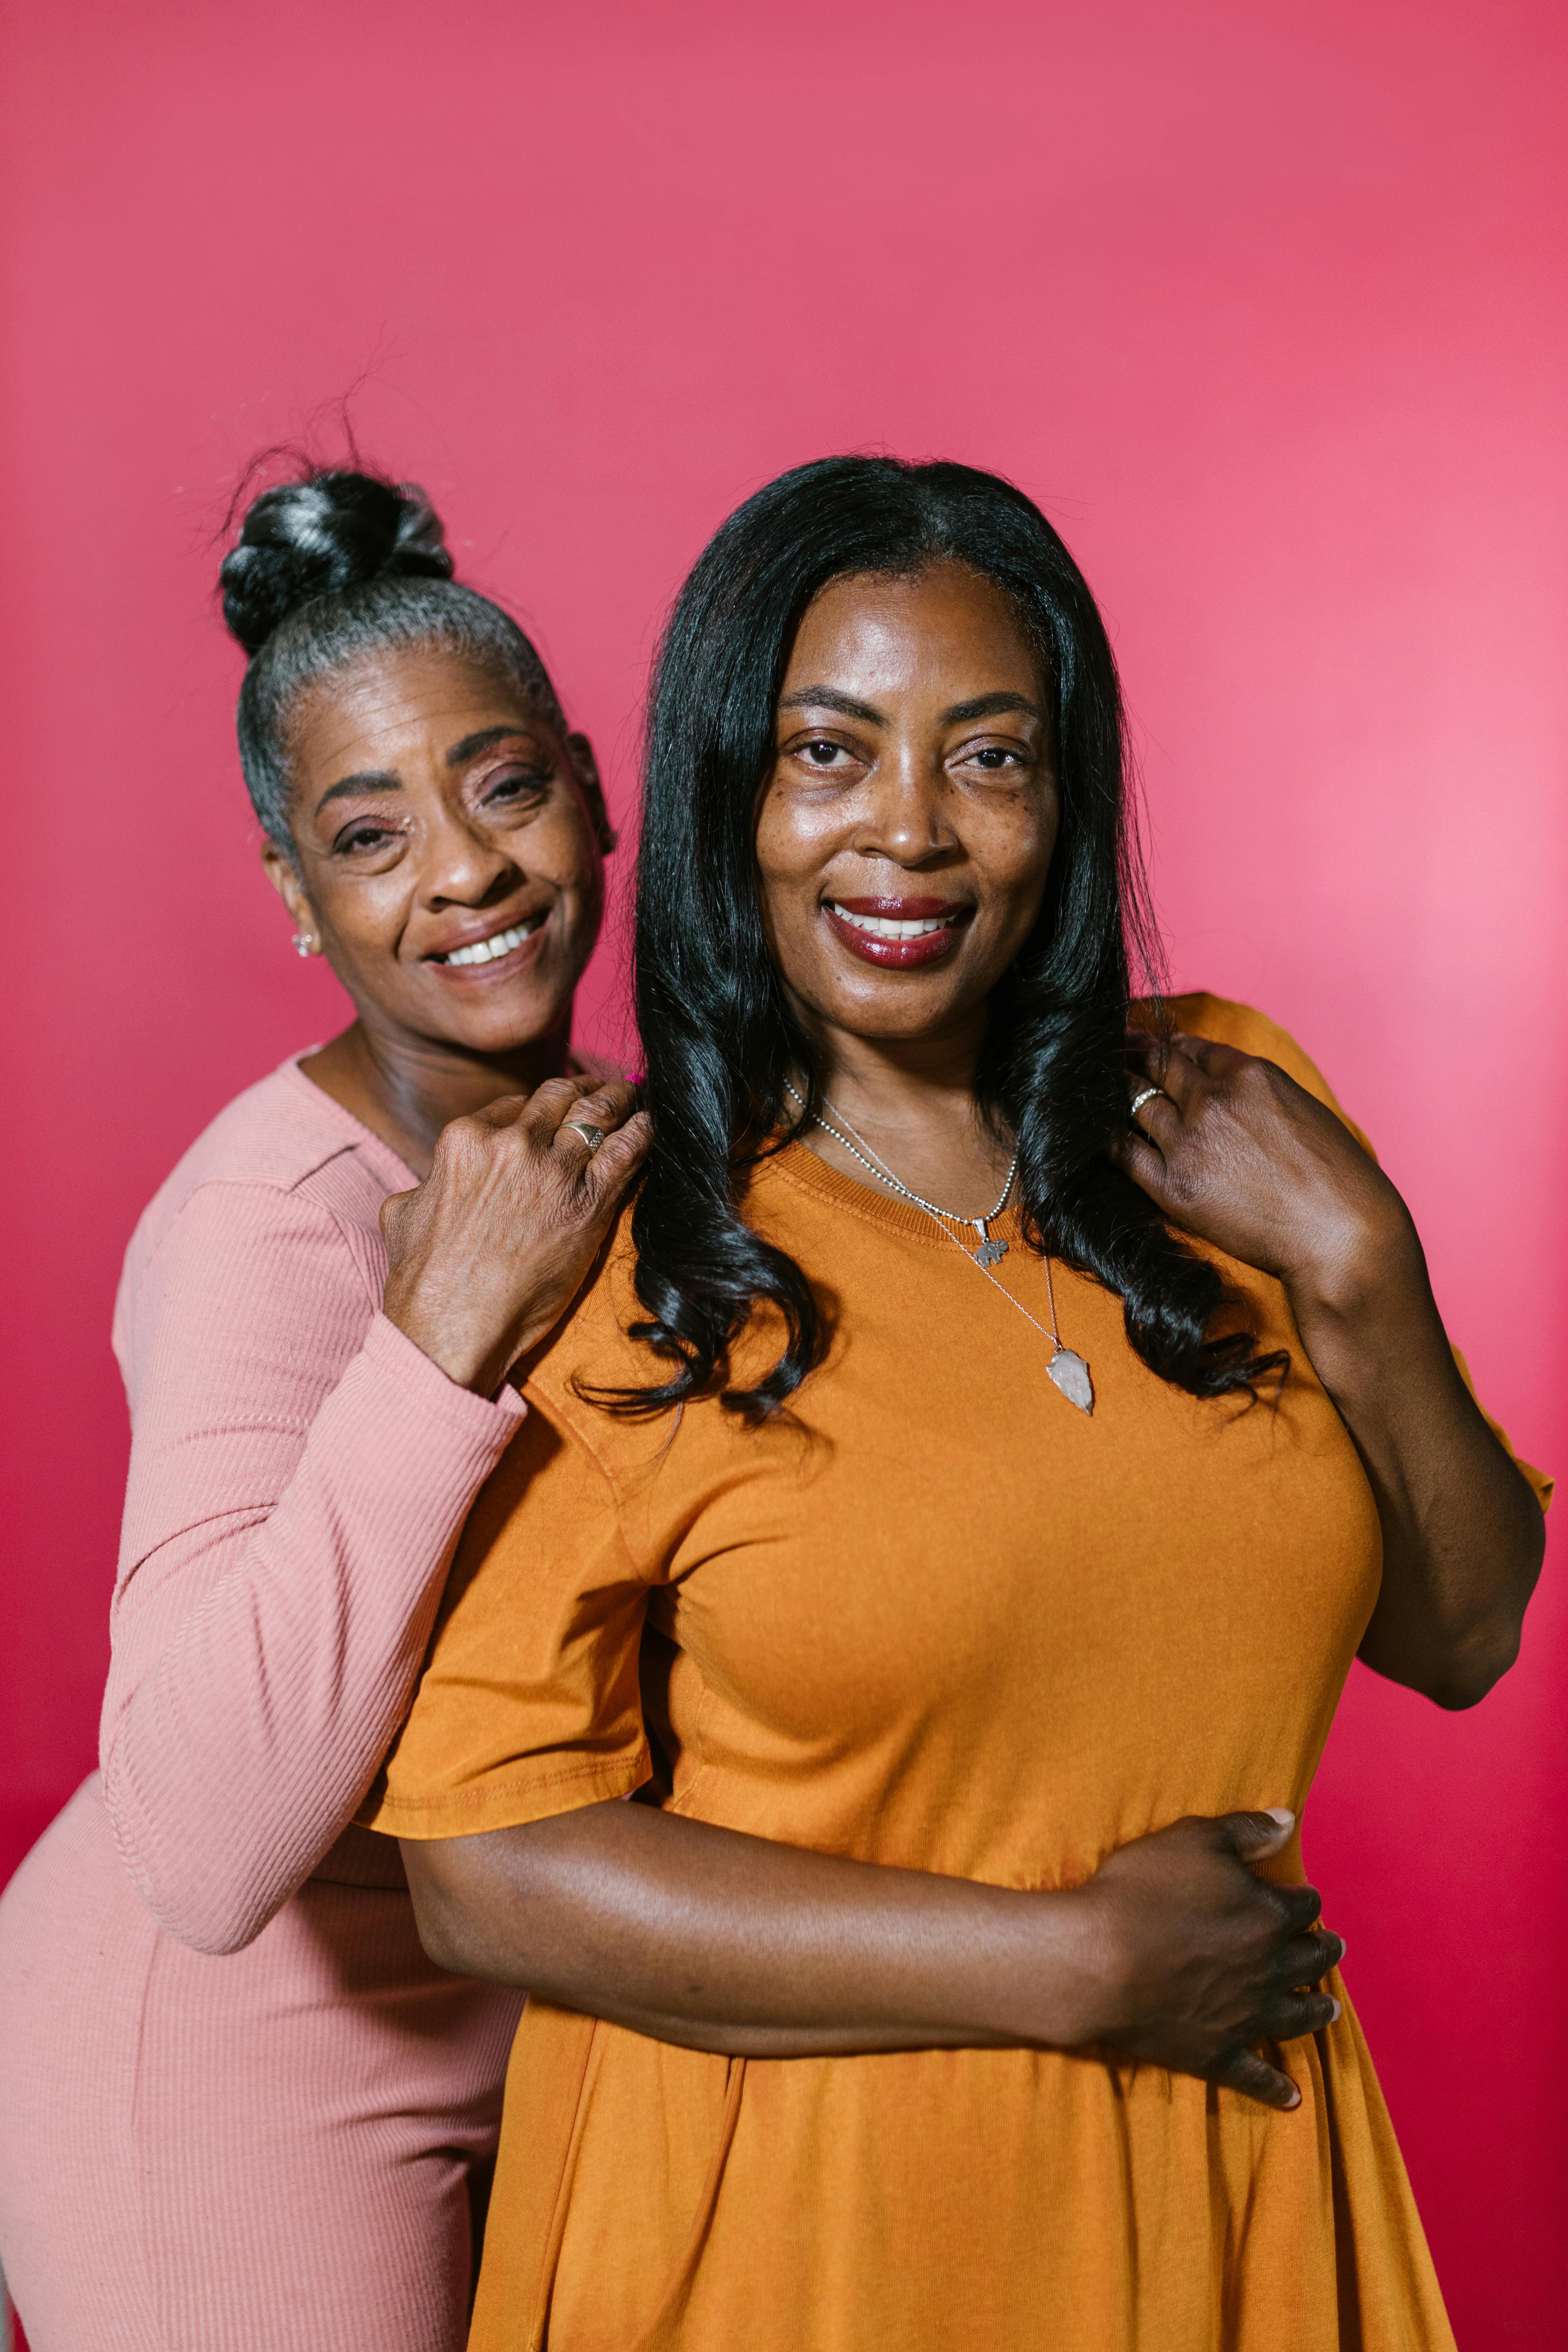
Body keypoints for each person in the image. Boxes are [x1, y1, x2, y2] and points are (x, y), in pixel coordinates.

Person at [363, 457, 1551, 2352]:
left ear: (1063, 803)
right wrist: (1064, 1961)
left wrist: (1367, 1273)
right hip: (805, 2237)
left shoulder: (1228, 1112)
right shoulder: (630, 1240)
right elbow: (480, 1869)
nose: (906, 834)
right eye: (827, 754)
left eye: (986, 759)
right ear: (727, 793)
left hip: (1220, 2183)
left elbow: (1467, 1626)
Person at [0, 465, 653, 2352]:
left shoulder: (612, 1139)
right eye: (369, 837)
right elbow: (203, 1843)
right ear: (297, 897)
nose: (464, 872)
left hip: (515, 2010)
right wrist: (432, 1348)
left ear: (595, 793)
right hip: (225, 2063)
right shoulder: (269, 1224)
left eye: (505, 787)